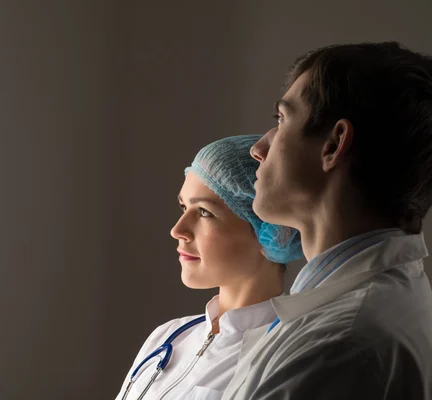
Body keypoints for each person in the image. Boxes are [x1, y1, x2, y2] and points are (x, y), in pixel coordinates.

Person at [222, 42, 432, 400]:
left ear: (333, 145)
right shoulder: (356, 314)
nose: (258, 148)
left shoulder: (339, 347)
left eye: (281, 119)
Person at [116, 135, 303, 400]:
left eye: (204, 212)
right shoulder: (167, 337)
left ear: (270, 229)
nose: (177, 230)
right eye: (183, 206)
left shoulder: (284, 359)